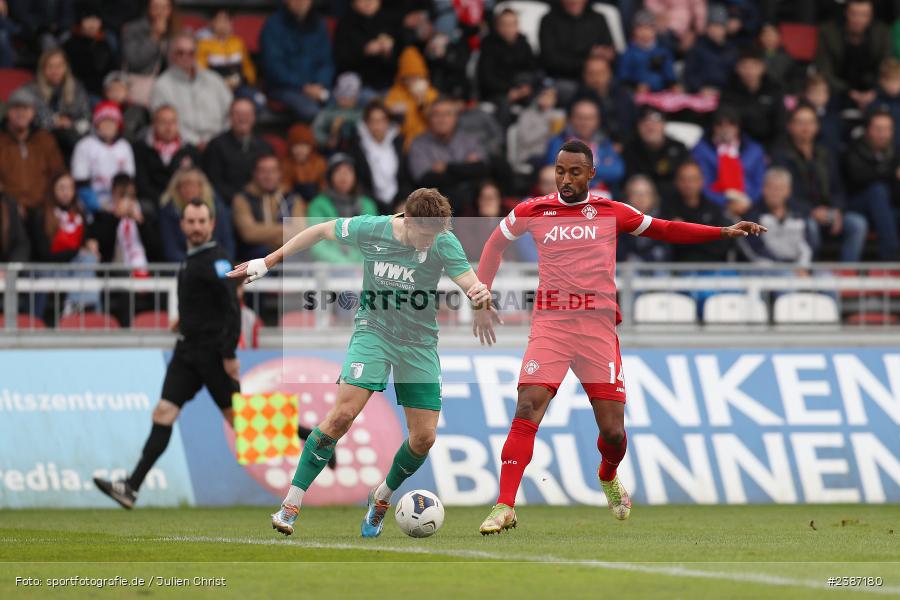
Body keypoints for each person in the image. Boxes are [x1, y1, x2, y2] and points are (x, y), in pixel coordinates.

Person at [473, 140, 765, 534]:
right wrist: (482, 293)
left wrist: (721, 231)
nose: (566, 179)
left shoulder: (612, 212)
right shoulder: (533, 209)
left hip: (597, 329)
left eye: (575, 172)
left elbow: (666, 229)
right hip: (552, 325)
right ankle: (505, 504)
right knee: (527, 405)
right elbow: (495, 243)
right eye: (560, 171)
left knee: (612, 432)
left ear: (591, 175)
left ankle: (608, 474)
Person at [226, 188, 494, 538]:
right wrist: (269, 260)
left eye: (435, 235)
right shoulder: (373, 228)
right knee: (341, 416)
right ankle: (290, 504)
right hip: (374, 334)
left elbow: (470, 283)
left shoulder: (443, 240)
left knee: (424, 438)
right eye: (424, 235)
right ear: (407, 220)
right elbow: (320, 230)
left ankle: (381, 497)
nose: (428, 243)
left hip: (418, 344)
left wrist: (480, 300)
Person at [94, 198, 241, 510]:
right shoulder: (191, 259)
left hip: (212, 354)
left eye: (202, 221)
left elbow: (232, 308)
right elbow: (205, 304)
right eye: (191, 222)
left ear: (211, 224)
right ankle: (130, 488)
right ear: (182, 225)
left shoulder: (217, 260)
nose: (197, 227)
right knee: (163, 412)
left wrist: (229, 354)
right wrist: (184, 322)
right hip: (187, 352)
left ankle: (311, 439)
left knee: (242, 422)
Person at [770, 104, 867, 262]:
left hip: (829, 211)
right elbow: (781, 195)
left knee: (857, 223)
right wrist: (811, 211)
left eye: (810, 122)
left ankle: (847, 272)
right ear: (790, 126)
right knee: (809, 226)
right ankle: (811, 273)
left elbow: (838, 188)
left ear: (817, 126)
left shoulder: (826, 154)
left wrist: (836, 210)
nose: (805, 128)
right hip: (800, 213)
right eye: (800, 122)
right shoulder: (781, 156)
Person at [149, 33, 233, 148]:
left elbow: (231, 113)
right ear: (172, 55)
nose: (186, 56)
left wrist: (220, 141)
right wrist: (196, 143)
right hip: (182, 147)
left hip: (220, 145)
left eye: (191, 53)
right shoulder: (161, 85)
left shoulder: (214, 80)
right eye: (180, 52)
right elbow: (162, 123)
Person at [407, 97, 489, 214]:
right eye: (436, 115)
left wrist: (447, 167)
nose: (442, 119)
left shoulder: (469, 139)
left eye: (447, 114)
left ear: (455, 118)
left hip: (473, 202)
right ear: (429, 119)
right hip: (437, 206)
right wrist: (466, 168)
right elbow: (426, 180)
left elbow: (481, 169)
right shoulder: (419, 144)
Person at [260, 0, 335, 122]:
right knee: (311, 111)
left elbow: (326, 62)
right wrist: (303, 86)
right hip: (285, 88)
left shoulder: (319, 24)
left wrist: (320, 83)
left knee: (339, 107)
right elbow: (274, 67)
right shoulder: (273, 26)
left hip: (318, 86)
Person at [843, 108, 900, 260]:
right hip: (856, 204)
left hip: (885, 208)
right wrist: (892, 174)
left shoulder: (895, 152)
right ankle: (892, 256)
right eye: (878, 128)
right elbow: (858, 177)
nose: (883, 134)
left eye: (887, 129)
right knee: (877, 190)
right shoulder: (854, 149)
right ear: (868, 130)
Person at [691, 106, 766, 216]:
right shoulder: (700, 151)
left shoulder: (754, 150)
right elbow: (701, 184)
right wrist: (725, 203)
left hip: (749, 205)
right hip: (714, 208)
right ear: (713, 127)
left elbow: (761, 182)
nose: (725, 128)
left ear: (738, 126)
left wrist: (746, 201)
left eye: (731, 123)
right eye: (719, 124)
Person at [815, 0, 891, 109]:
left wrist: (875, 91)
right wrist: (848, 92)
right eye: (854, 14)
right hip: (836, 91)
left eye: (864, 15)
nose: (858, 19)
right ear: (846, 13)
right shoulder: (828, 32)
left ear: (871, 16)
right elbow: (824, 70)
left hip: (873, 92)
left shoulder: (882, 33)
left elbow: (886, 67)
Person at [0, 88, 65, 211]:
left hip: (43, 206)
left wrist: (50, 202)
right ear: (8, 111)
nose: (21, 113)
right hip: (8, 208)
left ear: (33, 112)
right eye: (16, 108)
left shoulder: (45, 139)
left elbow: (57, 173)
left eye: (26, 108)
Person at [306, 154, 379, 263]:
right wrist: (345, 266)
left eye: (349, 171)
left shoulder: (367, 205)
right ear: (330, 177)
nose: (344, 176)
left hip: (362, 269)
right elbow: (317, 245)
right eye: (338, 171)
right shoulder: (317, 205)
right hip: (331, 268)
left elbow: (374, 242)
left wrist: (360, 265)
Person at [232, 154, 305, 261]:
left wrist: (264, 233)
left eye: (273, 171)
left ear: (279, 174)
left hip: (288, 259)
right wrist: (285, 230)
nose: (268, 176)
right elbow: (249, 233)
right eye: (263, 171)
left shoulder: (292, 198)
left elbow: (300, 232)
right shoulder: (242, 199)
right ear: (255, 174)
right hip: (253, 261)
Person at [539, 0, 615, 101]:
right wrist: (587, 59)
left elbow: (609, 50)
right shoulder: (549, 20)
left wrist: (605, 57)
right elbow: (550, 60)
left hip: (597, 76)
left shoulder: (598, 18)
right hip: (565, 78)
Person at [203, 98, 273, 207]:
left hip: (263, 202)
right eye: (237, 114)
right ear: (230, 117)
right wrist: (241, 199)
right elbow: (214, 183)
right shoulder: (216, 146)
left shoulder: (265, 147)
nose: (242, 118)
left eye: (247, 114)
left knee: (292, 215)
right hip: (228, 204)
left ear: (254, 117)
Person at [544, 99, 625, 193]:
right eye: (580, 118)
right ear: (570, 118)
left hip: (601, 196)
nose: (585, 123)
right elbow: (554, 170)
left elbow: (617, 171)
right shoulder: (559, 141)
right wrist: (598, 170)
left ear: (598, 120)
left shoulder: (604, 143)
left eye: (590, 118)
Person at [22, 48, 91, 157]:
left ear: (66, 67)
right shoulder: (31, 89)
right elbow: (28, 118)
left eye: (59, 66)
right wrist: (54, 121)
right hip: (41, 138)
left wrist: (70, 124)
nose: (55, 70)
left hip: (72, 138)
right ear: (43, 68)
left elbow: (86, 118)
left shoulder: (77, 88)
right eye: (50, 66)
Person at [345, 100, 410, 213]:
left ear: (388, 122)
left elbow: (405, 178)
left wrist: (402, 201)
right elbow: (359, 183)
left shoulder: (397, 142)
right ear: (366, 123)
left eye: (382, 120)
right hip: (370, 205)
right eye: (373, 121)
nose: (378, 126)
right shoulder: (357, 147)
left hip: (398, 202)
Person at [133, 105, 202, 211]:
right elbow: (142, 184)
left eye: (172, 122)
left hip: (184, 200)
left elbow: (198, 181)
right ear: (154, 124)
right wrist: (164, 201)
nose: (169, 127)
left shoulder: (190, 150)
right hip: (153, 202)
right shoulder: (141, 149)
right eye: (163, 122)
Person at [662, 160, 733, 263]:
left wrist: (687, 234)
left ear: (702, 181)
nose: (688, 184)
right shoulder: (667, 209)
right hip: (679, 269)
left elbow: (721, 245)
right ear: (676, 182)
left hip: (713, 267)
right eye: (683, 179)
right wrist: (705, 236)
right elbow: (669, 245)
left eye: (693, 179)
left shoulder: (714, 209)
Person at [70, 101, 135, 213]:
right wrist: (98, 208)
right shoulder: (84, 145)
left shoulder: (125, 146)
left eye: (112, 121)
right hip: (91, 206)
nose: (109, 126)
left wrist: (120, 205)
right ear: (96, 124)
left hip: (119, 203)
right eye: (104, 121)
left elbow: (128, 181)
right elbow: (81, 182)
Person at [739, 168, 813, 265]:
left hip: (797, 269)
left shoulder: (800, 215)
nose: (775, 193)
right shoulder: (751, 216)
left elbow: (807, 246)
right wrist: (781, 268)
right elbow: (755, 251)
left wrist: (802, 267)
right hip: (765, 270)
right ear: (763, 189)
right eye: (771, 188)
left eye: (780, 189)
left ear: (788, 191)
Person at [158, 167, 234, 262]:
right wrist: (193, 265)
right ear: (177, 189)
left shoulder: (217, 208)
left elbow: (227, 245)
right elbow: (171, 249)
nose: (189, 190)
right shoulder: (169, 211)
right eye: (184, 185)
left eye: (193, 185)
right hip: (181, 266)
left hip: (215, 263)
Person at [476, 8, 537, 122]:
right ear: (497, 26)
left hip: (521, 89)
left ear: (517, 26)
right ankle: (502, 138)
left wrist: (526, 87)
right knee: (503, 106)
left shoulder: (524, 44)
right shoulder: (489, 46)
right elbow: (486, 77)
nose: (508, 28)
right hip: (497, 92)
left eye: (512, 24)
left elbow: (532, 69)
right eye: (504, 24)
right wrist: (508, 91)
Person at [720, 47, 785, 148]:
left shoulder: (774, 90)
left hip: (768, 145)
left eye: (754, 66)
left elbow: (780, 125)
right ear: (738, 68)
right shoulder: (728, 91)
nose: (749, 71)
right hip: (737, 146)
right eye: (745, 66)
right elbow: (724, 121)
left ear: (762, 67)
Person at [622, 106, 689, 201]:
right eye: (645, 123)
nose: (650, 126)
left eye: (655, 122)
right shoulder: (630, 149)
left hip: (676, 201)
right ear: (638, 127)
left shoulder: (678, 148)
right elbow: (630, 183)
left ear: (664, 124)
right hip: (642, 204)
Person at [333, 0, 398, 96]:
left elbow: (401, 57)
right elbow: (340, 59)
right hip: (358, 83)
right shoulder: (345, 24)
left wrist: (388, 53)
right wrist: (364, 51)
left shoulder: (390, 21)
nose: (368, 2)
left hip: (388, 82)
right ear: (353, 3)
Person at [385, 46, 439, 147]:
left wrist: (421, 101)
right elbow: (388, 114)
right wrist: (393, 111)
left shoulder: (431, 93)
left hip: (428, 142)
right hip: (402, 142)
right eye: (408, 77)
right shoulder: (395, 93)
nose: (411, 81)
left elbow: (436, 120)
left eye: (415, 76)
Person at [573, 57, 636, 144]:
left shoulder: (623, 94)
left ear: (609, 73)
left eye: (601, 73)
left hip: (628, 143)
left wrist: (623, 143)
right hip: (597, 145)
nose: (596, 78)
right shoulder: (579, 99)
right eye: (591, 74)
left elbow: (632, 121)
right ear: (584, 76)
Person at [196, 9, 257, 98]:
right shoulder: (203, 45)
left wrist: (249, 81)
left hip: (239, 86)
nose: (223, 25)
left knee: (257, 102)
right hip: (214, 88)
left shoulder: (238, 43)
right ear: (212, 23)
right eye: (219, 21)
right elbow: (201, 71)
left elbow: (247, 67)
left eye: (226, 20)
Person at [61, 0, 117, 98]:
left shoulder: (105, 42)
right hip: (77, 92)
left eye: (96, 19)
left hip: (102, 91)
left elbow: (112, 69)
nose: (92, 24)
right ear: (81, 21)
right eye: (88, 19)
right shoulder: (70, 44)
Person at [616, 10, 677, 93]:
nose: (644, 32)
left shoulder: (663, 53)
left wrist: (673, 85)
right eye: (640, 28)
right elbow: (623, 78)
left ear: (655, 30)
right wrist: (635, 87)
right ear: (634, 31)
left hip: (662, 94)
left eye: (648, 28)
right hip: (636, 95)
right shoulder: (628, 54)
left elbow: (669, 75)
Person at [683, 4, 739, 94]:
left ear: (725, 29)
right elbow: (689, 73)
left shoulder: (732, 50)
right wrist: (700, 88)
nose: (715, 30)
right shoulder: (697, 48)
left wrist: (727, 91)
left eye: (719, 26)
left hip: (726, 94)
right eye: (711, 26)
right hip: (701, 93)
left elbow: (736, 76)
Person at [511, 80, 566, 170]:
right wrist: (547, 126)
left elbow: (560, 138)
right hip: (530, 154)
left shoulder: (558, 115)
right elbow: (526, 139)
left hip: (552, 154)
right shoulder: (527, 114)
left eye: (551, 96)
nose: (547, 98)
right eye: (544, 94)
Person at [617, 175, 669, 263]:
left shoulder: (663, 222)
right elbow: (620, 254)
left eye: (646, 193)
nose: (641, 198)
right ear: (628, 197)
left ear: (653, 197)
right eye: (636, 193)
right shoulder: (619, 224)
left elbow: (665, 253)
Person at [311, 72, 363, 152]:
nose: (346, 100)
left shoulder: (362, 113)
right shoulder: (328, 112)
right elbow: (315, 130)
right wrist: (326, 140)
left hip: (358, 150)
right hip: (334, 151)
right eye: (342, 96)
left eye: (350, 97)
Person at [121, 0, 176, 76]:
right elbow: (134, 62)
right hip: (141, 79)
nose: (160, 12)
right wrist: (155, 37)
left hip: (168, 81)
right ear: (149, 8)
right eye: (156, 7)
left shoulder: (176, 30)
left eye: (164, 8)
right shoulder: (133, 29)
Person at [281, 123, 326, 202]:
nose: (300, 150)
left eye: (304, 145)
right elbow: (285, 188)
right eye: (296, 145)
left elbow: (324, 187)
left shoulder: (319, 163)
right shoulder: (285, 164)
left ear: (310, 146)